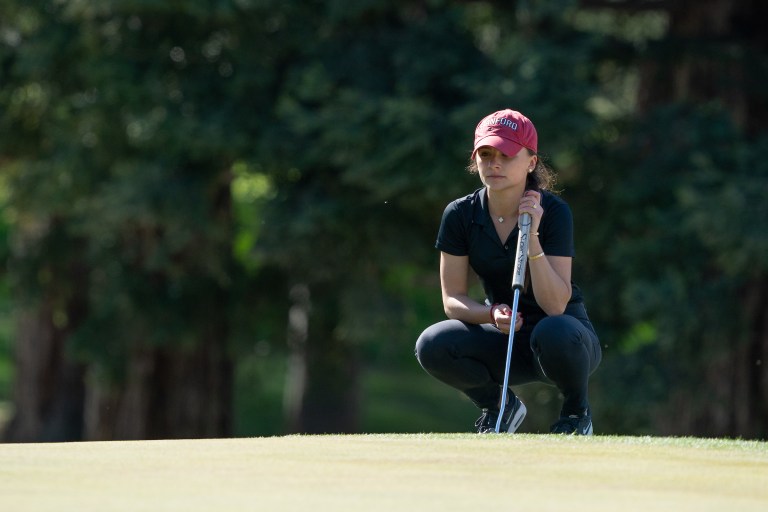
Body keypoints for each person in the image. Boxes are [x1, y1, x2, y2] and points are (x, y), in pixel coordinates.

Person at [414, 109, 602, 435]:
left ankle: (576, 414)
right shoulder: (460, 215)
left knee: (552, 330)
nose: (495, 163)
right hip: (506, 337)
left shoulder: (554, 212)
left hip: (567, 343)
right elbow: (453, 300)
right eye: (486, 155)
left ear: (531, 162)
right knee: (432, 344)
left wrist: (533, 240)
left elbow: (555, 305)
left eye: (507, 155)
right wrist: (489, 313)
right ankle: (499, 405)